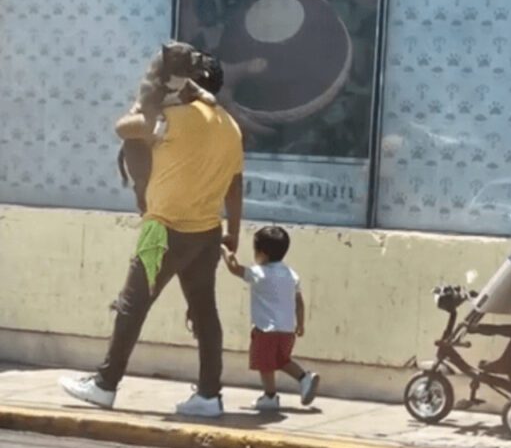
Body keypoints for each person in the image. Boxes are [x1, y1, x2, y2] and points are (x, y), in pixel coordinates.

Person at [60, 52, 244, 417]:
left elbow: (123, 127)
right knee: (206, 313)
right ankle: (209, 396)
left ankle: (105, 384)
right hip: (207, 232)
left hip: (160, 228)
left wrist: (149, 103)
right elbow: (236, 188)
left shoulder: (171, 118)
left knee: (132, 306)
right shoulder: (230, 126)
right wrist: (232, 234)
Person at [222, 226, 320, 410]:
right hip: (287, 330)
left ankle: (270, 396)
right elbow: (299, 302)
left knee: (265, 364)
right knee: (282, 360)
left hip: (265, 329)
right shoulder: (291, 275)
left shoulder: (259, 273)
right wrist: (301, 324)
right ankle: (304, 378)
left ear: (263, 253)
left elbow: (233, 268)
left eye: (255, 250)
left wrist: (224, 250)